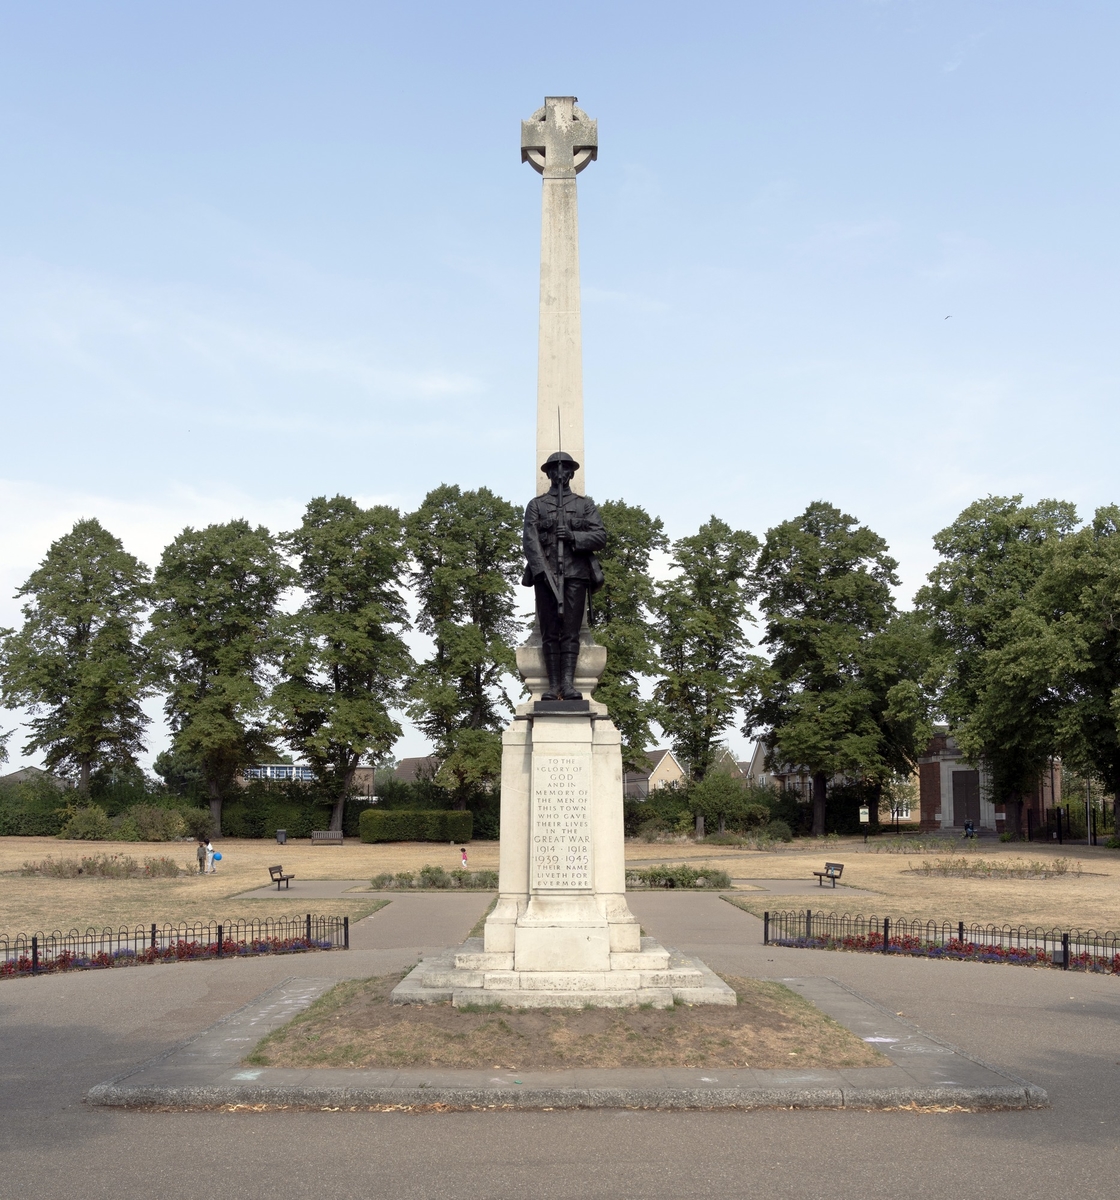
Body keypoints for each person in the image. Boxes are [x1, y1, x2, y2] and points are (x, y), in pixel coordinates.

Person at [522, 451, 606, 700]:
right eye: (555, 469)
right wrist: (542, 571)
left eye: (565, 469)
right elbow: (530, 540)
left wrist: (573, 536)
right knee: (549, 631)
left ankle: (568, 686)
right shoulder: (536, 505)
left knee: (571, 631)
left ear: (571, 473)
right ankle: (552, 685)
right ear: (548, 474)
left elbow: (600, 536)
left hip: (576, 574)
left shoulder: (584, 505)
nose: (560, 473)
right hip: (546, 575)